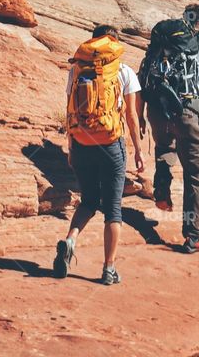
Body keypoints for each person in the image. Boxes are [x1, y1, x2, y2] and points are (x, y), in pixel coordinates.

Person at [54, 25, 144, 285]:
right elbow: (131, 115)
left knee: (89, 201)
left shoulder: (76, 69)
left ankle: (70, 240)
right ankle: (108, 269)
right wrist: (138, 150)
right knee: (113, 209)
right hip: (110, 145)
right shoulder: (124, 71)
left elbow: (70, 109)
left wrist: (71, 147)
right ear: (114, 44)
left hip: (82, 142)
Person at [138, 3, 199, 254]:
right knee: (195, 174)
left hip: (157, 109)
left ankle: (162, 193)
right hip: (188, 114)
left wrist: (141, 115)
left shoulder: (164, 43)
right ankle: (192, 235)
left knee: (165, 148)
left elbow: (144, 75)